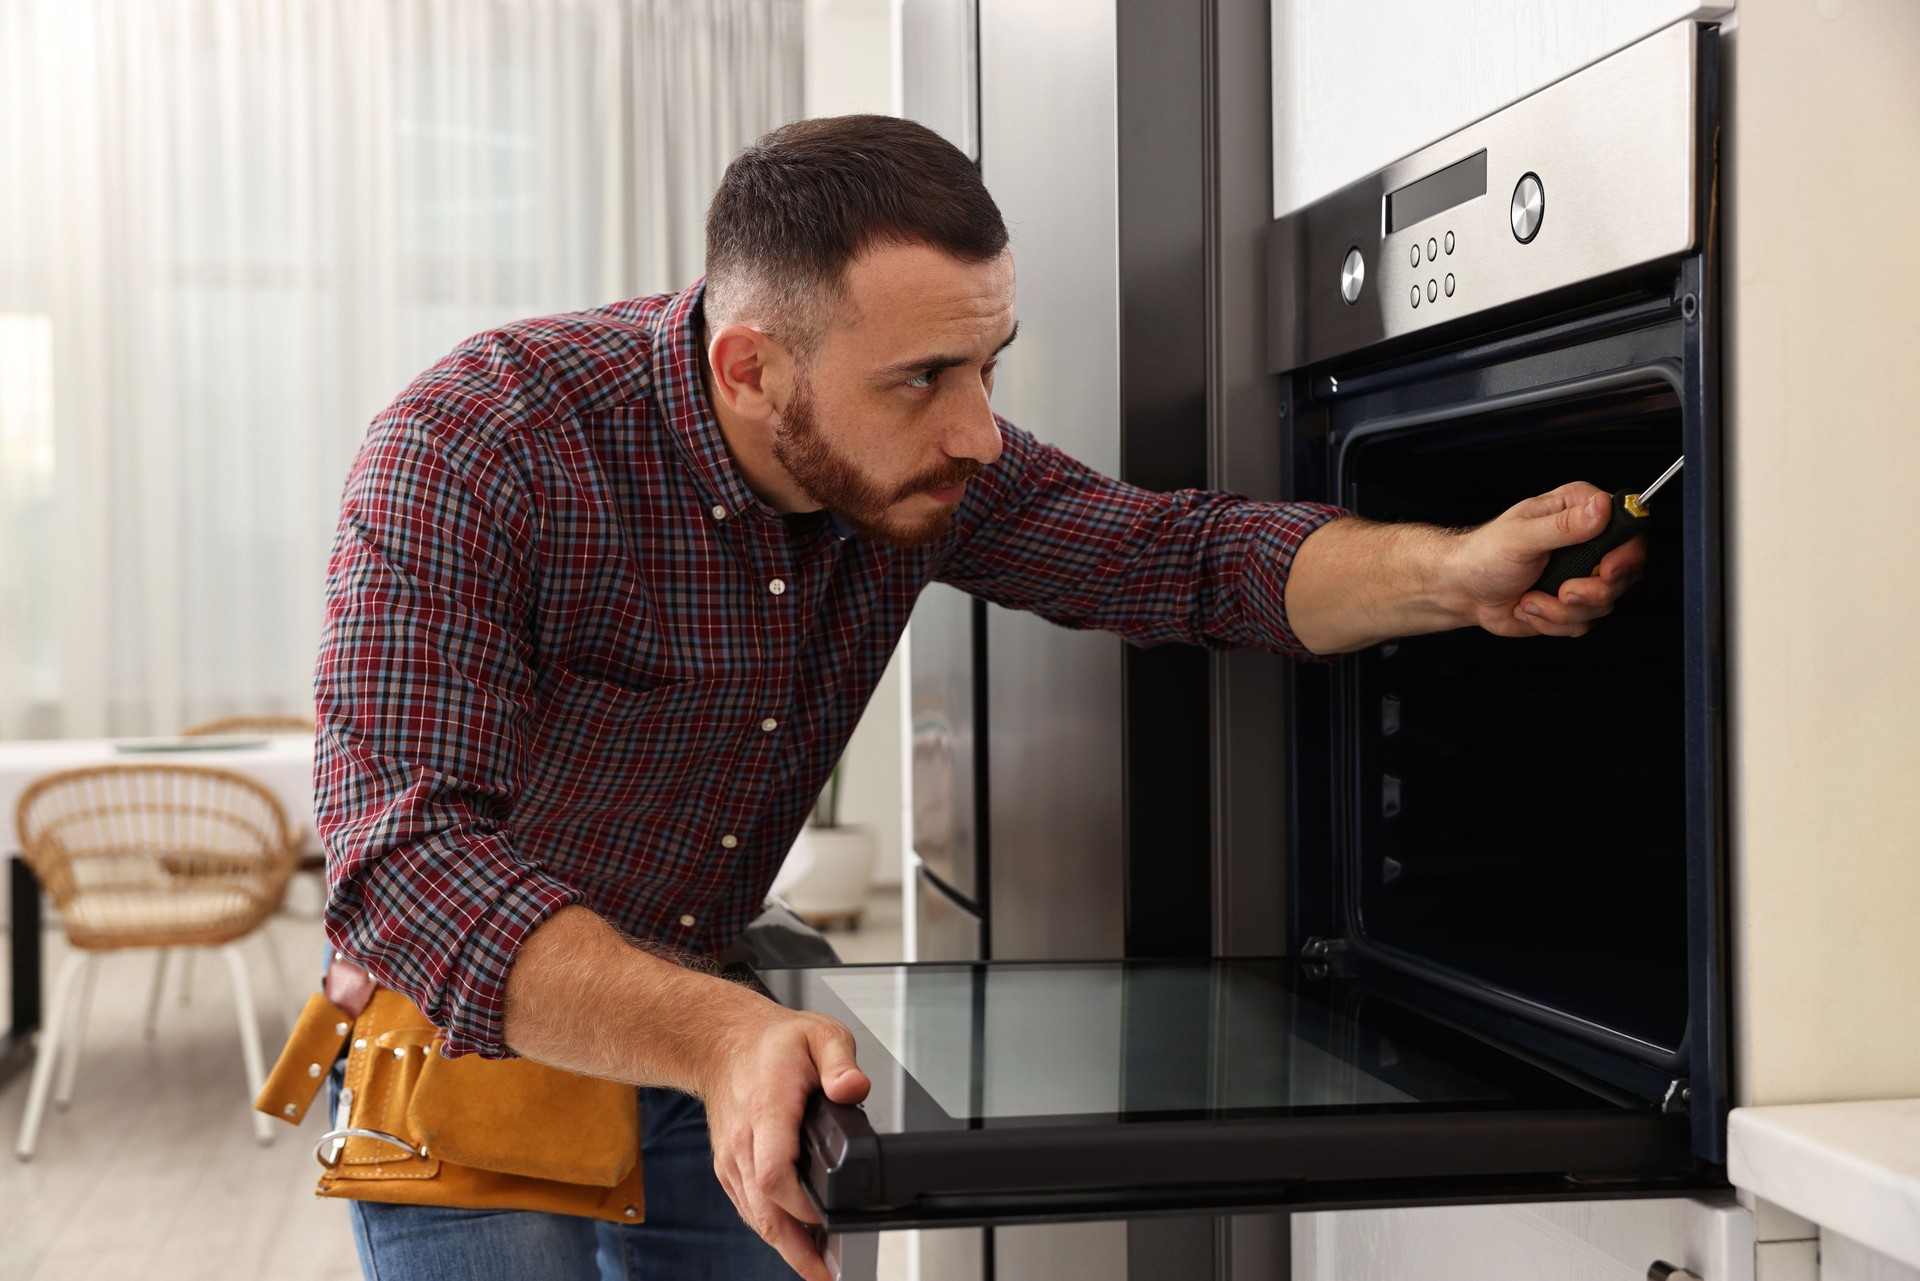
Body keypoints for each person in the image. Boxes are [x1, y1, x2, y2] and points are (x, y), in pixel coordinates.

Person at [314, 114, 1645, 1281]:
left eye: (988, 362)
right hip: (482, 1037)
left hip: (724, 1016)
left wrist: (1454, 571)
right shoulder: (476, 447)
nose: (981, 432)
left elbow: (1175, 556)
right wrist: (721, 1037)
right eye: (922, 381)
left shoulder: (921, 462)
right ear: (750, 369)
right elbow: (403, 864)